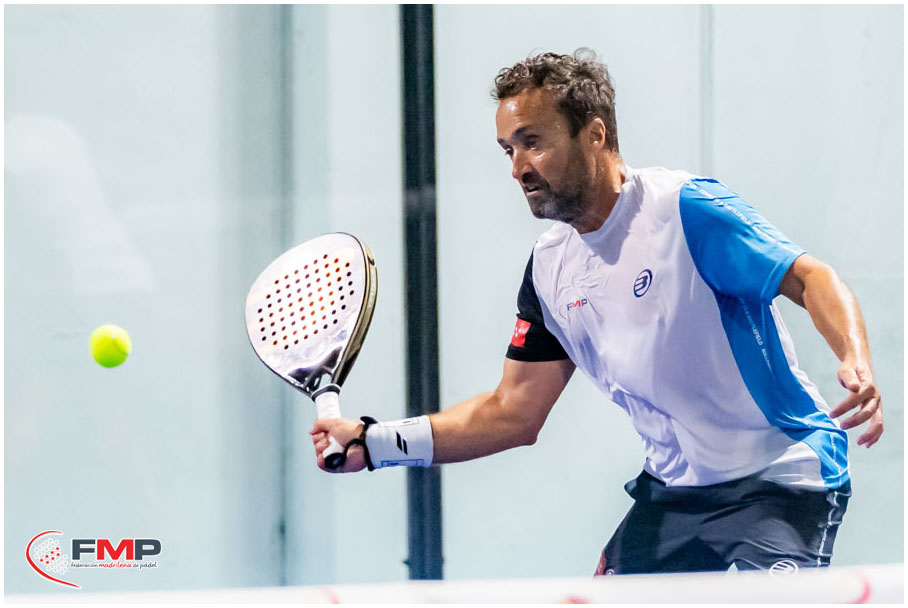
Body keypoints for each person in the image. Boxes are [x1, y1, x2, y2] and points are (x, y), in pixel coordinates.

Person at [310, 50, 883, 574]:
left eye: (533, 142)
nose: (518, 168)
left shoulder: (686, 210)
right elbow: (513, 411)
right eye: (509, 149)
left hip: (778, 479)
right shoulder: (549, 270)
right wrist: (376, 442)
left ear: (594, 134)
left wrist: (854, 358)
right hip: (674, 495)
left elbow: (811, 277)